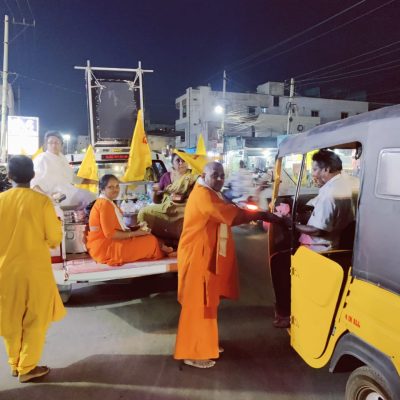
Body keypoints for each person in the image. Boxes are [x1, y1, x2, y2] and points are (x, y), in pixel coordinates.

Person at [174, 161, 283, 368]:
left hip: (205, 255)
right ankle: (192, 352)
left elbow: (228, 208)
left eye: (222, 175)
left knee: (209, 302)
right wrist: (262, 214)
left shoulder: (210, 191)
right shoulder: (203, 195)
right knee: (198, 306)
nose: (220, 179)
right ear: (205, 175)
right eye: (215, 175)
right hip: (198, 256)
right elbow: (229, 214)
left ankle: (207, 344)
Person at [271, 149, 358, 328]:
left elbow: (317, 230)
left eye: (315, 170)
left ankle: (286, 314)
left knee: (279, 262)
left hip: (322, 249)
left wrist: (291, 224)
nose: (313, 174)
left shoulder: (329, 194)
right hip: (346, 245)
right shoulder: (351, 182)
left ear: (326, 170)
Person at [0, 155, 66, 383]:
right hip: (34, 271)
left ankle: (14, 363)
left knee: (9, 319)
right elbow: (55, 237)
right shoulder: (42, 202)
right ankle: (27, 367)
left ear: (9, 177)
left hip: (4, 272)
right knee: (36, 320)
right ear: (33, 175)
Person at [86, 174, 173, 266]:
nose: (115, 190)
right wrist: (136, 233)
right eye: (110, 187)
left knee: (149, 238)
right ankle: (164, 251)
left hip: (107, 245)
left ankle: (163, 249)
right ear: (102, 189)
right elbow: (110, 234)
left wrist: (135, 228)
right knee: (150, 241)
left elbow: (115, 228)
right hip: (108, 249)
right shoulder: (104, 204)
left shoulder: (107, 202)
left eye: (117, 186)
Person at [137, 153, 198, 241]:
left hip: (184, 210)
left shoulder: (192, 176)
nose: (181, 163)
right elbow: (156, 201)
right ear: (173, 163)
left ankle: (178, 244)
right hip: (166, 209)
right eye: (178, 160)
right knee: (144, 213)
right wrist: (156, 192)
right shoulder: (166, 177)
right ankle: (151, 241)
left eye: (183, 160)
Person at [31, 131, 95, 208]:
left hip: (66, 195)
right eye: (50, 143)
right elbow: (33, 182)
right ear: (46, 145)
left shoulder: (62, 158)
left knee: (91, 198)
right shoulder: (42, 158)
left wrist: (95, 182)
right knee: (89, 198)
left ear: (61, 144)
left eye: (57, 142)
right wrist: (47, 196)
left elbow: (72, 178)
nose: (54, 145)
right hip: (50, 198)